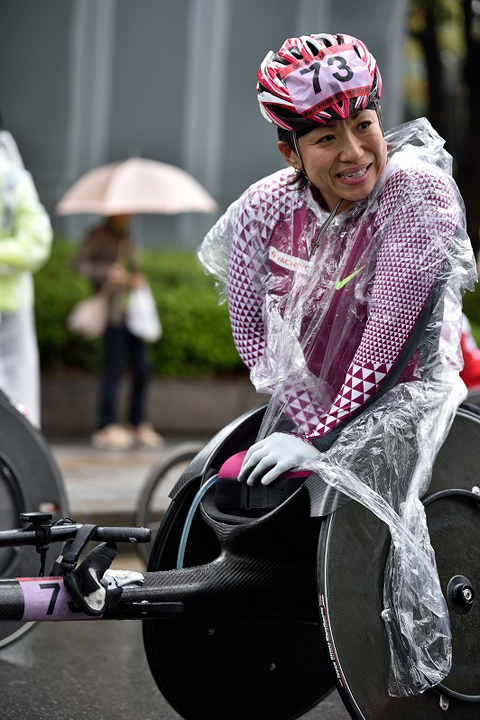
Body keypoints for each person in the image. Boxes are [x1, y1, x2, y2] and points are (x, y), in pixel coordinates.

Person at [199, 33, 476, 694]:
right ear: (288, 151)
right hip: (319, 404)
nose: (355, 154)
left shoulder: (418, 195)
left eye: (365, 125)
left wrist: (319, 440)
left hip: (414, 395)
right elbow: (255, 338)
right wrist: (299, 419)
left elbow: (387, 342)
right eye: (325, 139)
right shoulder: (264, 208)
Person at [73, 214, 163, 450]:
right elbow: (79, 264)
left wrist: (136, 278)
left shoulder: (128, 236)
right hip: (113, 315)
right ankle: (106, 425)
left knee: (142, 368)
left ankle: (136, 422)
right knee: (114, 369)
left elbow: (133, 269)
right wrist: (107, 272)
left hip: (133, 315)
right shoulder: (98, 234)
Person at [0, 115, 52, 428]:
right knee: (18, 399)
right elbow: (36, 242)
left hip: (11, 312)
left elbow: (37, 241)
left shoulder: (9, 177)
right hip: (13, 308)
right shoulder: (12, 175)